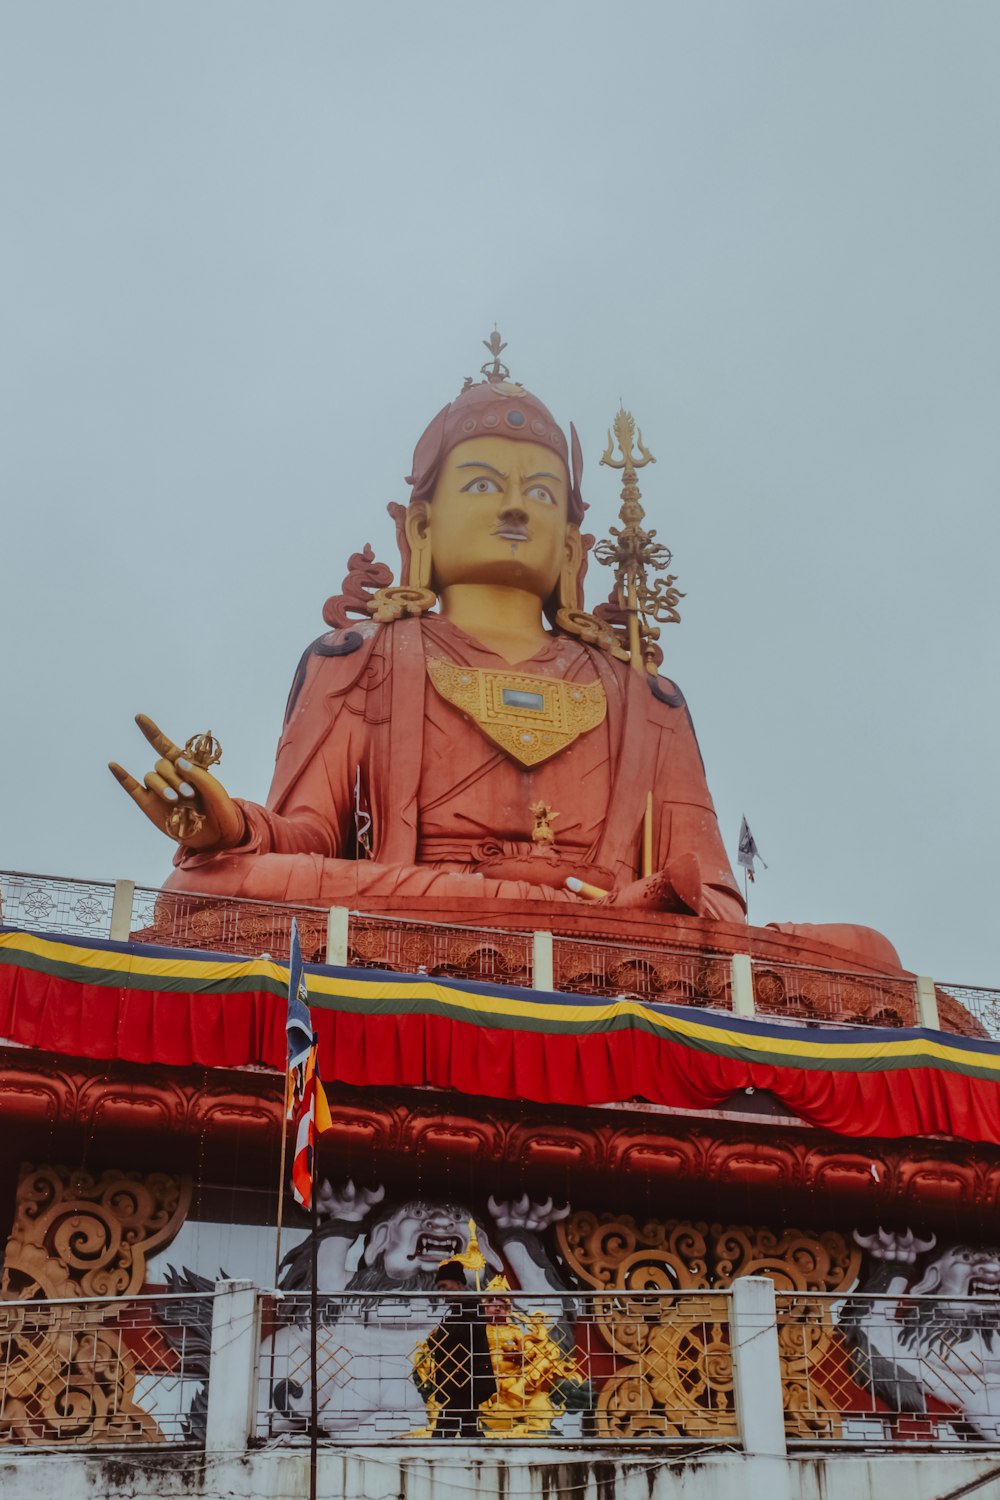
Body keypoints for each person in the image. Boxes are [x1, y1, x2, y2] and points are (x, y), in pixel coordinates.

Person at [108, 347, 747, 924]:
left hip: (609, 929)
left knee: (848, 943)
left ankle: (580, 919)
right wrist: (233, 829)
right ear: (421, 527)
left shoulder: (647, 697)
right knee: (221, 881)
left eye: (543, 493)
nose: (517, 508)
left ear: (574, 550)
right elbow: (308, 836)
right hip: (420, 909)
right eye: (482, 485)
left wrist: (681, 896)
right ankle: (556, 916)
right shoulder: (359, 659)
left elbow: (712, 894)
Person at [419, 1261, 497, 1439]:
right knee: (469, 1429)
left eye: (444, 1286)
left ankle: (433, 1459)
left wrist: (438, 1336)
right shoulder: (460, 1309)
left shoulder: (470, 1305)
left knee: (444, 1428)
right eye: (439, 1288)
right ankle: (486, 1456)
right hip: (464, 1380)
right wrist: (437, 1339)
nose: (442, 1292)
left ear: (459, 1284)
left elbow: (464, 1332)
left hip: (467, 1380)